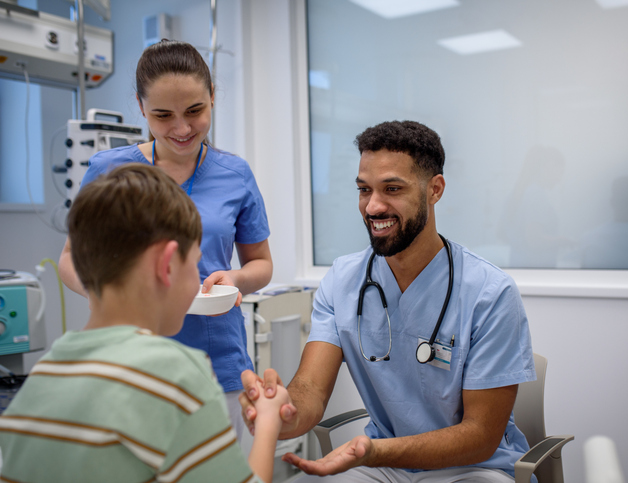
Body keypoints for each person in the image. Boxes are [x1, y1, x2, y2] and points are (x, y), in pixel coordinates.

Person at [241, 121, 537, 482]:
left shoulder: (489, 294)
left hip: (473, 468)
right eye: (364, 190)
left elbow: (481, 436)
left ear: (435, 189)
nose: (373, 206)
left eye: (392, 188)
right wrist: (286, 413)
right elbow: (311, 388)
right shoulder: (342, 281)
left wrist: (373, 451)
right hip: (383, 467)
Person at [0, 164, 288, 483]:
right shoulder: (177, 375)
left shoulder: (40, 378)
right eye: (194, 264)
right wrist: (267, 424)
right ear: (166, 265)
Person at [58, 40, 273, 441]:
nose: (181, 129)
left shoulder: (235, 174)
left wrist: (235, 279)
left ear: (212, 97)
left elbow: (261, 264)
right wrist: (110, 293)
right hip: (125, 357)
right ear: (141, 108)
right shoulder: (110, 169)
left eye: (195, 111)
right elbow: (70, 258)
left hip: (216, 359)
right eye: (162, 115)